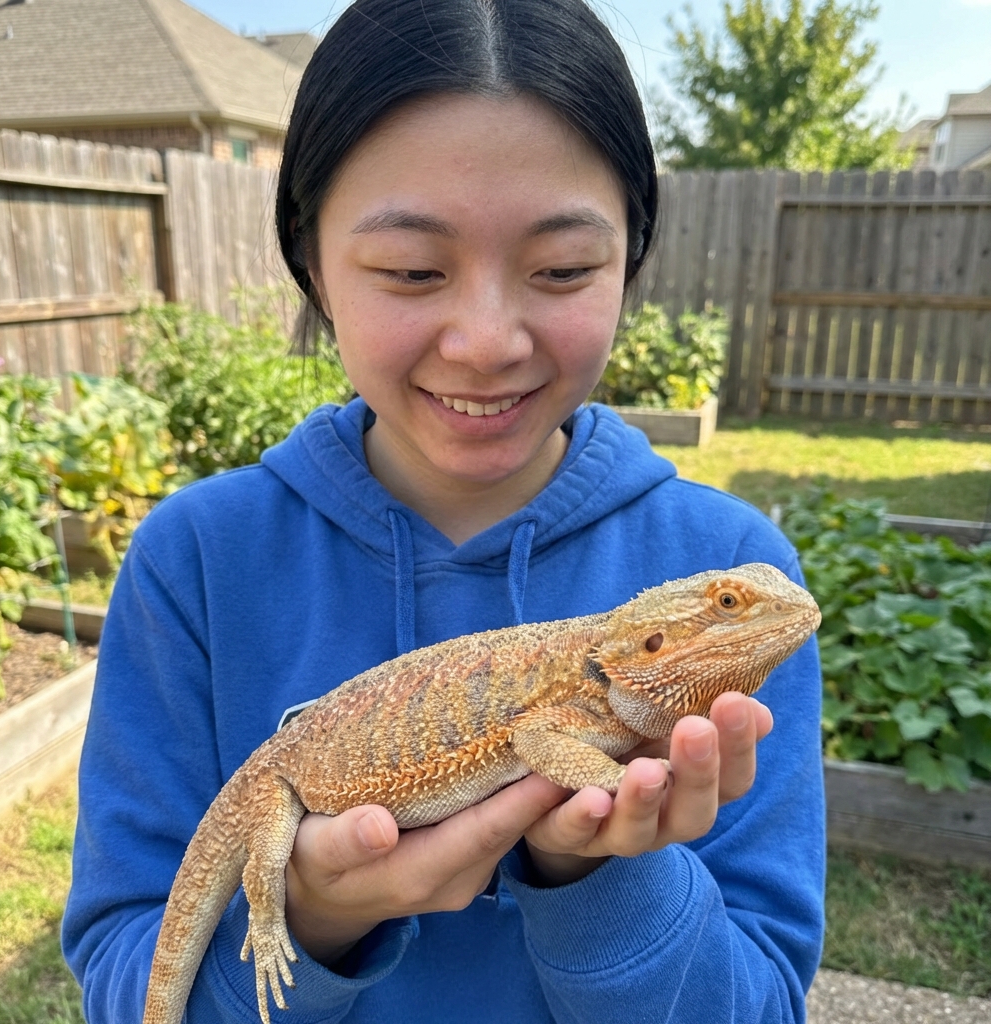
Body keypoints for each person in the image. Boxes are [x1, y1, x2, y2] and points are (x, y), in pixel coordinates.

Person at [62, 1, 825, 1021]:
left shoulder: (725, 555)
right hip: (275, 822)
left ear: (631, 259)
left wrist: (596, 869)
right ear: (312, 260)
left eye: (560, 269)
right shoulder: (195, 562)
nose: (484, 340)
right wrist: (311, 914)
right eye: (412, 270)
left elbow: (767, 998)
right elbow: (129, 969)